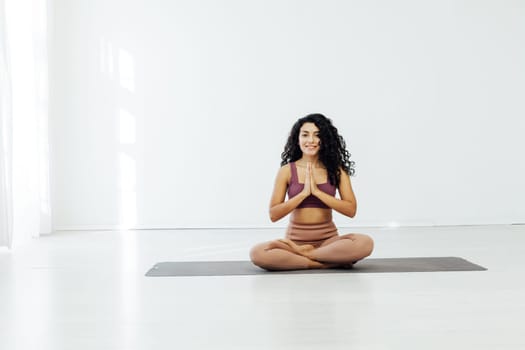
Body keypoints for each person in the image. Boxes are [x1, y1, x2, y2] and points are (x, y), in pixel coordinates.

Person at [250, 113, 374, 270]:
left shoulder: (336, 171)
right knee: (257, 253)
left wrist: (316, 192)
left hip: (329, 242)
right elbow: (274, 214)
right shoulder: (287, 171)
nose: (311, 140)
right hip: (294, 242)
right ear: (297, 139)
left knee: (365, 243)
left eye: (317, 135)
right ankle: (327, 261)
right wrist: (303, 194)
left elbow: (351, 210)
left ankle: (304, 257)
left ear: (325, 140)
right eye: (305, 135)